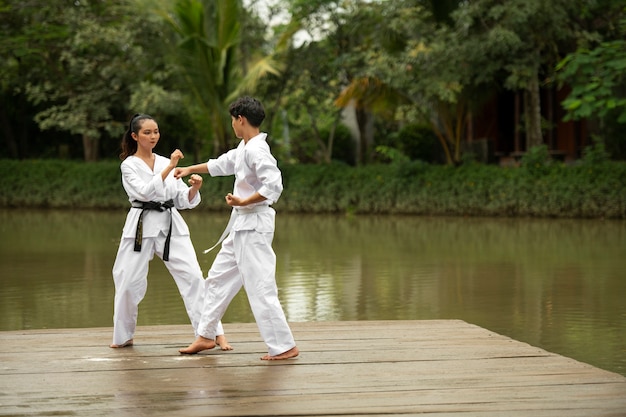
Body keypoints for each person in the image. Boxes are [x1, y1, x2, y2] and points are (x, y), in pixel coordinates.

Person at [174, 97, 298, 360]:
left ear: (240, 119)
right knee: (217, 279)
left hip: (254, 225)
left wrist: (244, 200)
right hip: (241, 226)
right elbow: (220, 164)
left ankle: (284, 346)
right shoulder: (245, 148)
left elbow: (273, 186)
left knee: (260, 286)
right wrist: (188, 169)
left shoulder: (257, 150)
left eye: (233, 120)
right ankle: (206, 335)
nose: (232, 125)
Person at [110, 113, 231, 351]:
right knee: (127, 281)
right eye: (147, 132)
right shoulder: (128, 165)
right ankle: (123, 336)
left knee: (194, 278)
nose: (153, 136)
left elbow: (182, 200)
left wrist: (194, 188)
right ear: (135, 136)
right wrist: (171, 167)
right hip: (140, 226)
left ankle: (211, 333)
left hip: (170, 225)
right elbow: (145, 193)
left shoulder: (165, 161)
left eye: (156, 131)